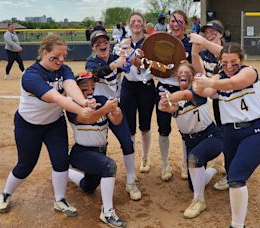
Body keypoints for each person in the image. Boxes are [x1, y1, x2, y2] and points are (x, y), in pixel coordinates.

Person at [0, 34, 94, 216]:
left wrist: (83, 102)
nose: (61, 60)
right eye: (55, 56)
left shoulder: (64, 69)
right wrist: (81, 111)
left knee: (61, 161)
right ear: (43, 52)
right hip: (28, 125)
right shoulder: (31, 75)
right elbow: (56, 97)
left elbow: (71, 86)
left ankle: (60, 199)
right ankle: (6, 193)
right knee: (26, 165)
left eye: (64, 56)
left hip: (54, 124)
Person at [192, 42, 260, 228]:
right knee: (232, 176)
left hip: (255, 131)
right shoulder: (219, 77)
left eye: (234, 62)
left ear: (242, 60)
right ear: (220, 62)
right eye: (225, 62)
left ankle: (237, 225)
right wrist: (198, 82)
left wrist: (209, 81)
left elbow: (233, 83)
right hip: (230, 134)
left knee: (236, 176)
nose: (229, 67)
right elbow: (205, 90)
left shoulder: (249, 72)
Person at [158, 62, 223, 219]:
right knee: (194, 185)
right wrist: (165, 106)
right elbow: (173, 108)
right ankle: (215, 168)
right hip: (191, 142)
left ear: (192, 77)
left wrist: (170, 97)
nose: (183, 74)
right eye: (180, 72)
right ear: (176, 77)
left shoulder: (197, 90)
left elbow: (186, 95)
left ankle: (199, 201)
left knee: (193, 160)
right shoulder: (176, 99)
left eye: (187, 72)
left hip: (211, 136)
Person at [85, 30, 142, 201]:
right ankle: (95, 177)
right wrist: (115, 64)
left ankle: (131, 181)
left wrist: (134, 56)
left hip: (116, 106)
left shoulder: (118, 56)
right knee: (99, 147)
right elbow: (97, 73)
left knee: (127, 141)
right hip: (99, 109)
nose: (102, 45)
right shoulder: (91, 61)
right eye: (98, 43)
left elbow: (138, 67)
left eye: (105, 42)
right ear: (94, 47)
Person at [67, 72, 127, 228]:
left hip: (99, 152)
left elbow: (117, 120)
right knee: (109, 166)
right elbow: (88, 119)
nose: (89, 90)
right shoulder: (73, 105)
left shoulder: (100, 100)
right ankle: (107, 212)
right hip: (82, 153)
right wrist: (105, 109)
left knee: (88, 187)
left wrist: (115, 111)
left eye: (92, 86)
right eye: (84, 87)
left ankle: (65, 171)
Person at [154, 10, 192, 181]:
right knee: (163, 129)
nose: (175, 24)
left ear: (186, 24)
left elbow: (192, 68)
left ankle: (185, 164)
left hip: (183, 90)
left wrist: (177, 68)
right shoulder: (162, 41)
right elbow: (154, 65)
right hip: (164, 89)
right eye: (172, 21)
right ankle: (165, 165)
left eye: (179, 21)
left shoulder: (190, 43)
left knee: (185, 130)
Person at [119, 12, 156, 175]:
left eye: (139, 21)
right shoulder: (123, 42)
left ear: (143, 24)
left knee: (145, 126)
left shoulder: (150, 42)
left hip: (146, 86)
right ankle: (131, 159)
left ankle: (145, 157)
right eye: (133, 21)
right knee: (130, 127)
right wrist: (124, 49)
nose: (136, 23)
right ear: (129, 24)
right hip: (128, 86)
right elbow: (119, 65)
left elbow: (151, 67)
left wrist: (136, 59)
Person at [198, 20, 230, 191]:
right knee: (222, 131)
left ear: (221, 34)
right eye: (207, 32)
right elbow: (202, 76)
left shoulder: (227, 53)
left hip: (229, 99)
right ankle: (228, 164)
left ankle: (231, 171)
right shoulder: (204, 55)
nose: (209, 35)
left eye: (213, 32)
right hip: (217, 99)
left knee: (229, 132)